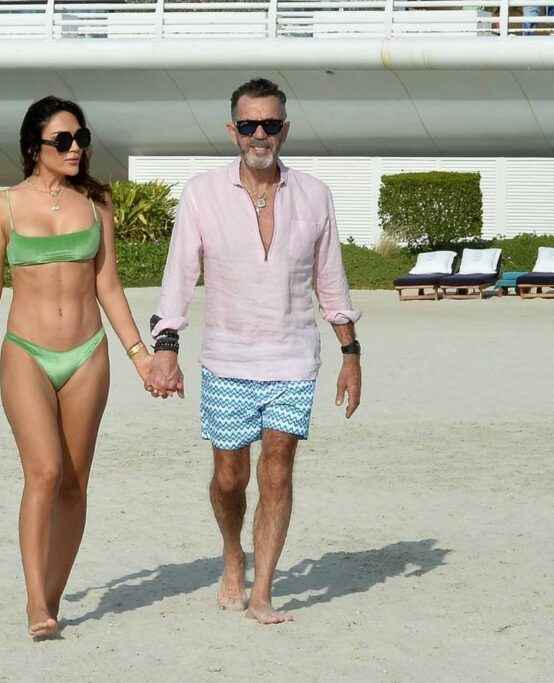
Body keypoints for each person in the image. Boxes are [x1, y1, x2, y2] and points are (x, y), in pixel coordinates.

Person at [146, 78, 363, 625]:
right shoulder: (202, 193)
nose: (259, 134)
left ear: (285, 129)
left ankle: (262, 591)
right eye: (249, 125)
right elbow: (179, 273)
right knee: (229, 478)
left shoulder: (315, 194)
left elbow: (330, 280)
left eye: (269, 124)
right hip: (226, 358)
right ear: (233, 131)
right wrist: (166, 345)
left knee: (278, 471)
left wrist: (351, 353)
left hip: (294, 358)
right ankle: (231, 553)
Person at [0, 96, 154, 639]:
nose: (75, 149)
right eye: (62, 140)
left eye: (81, 138)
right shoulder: (2, 206)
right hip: (26, 351)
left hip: (88, 353)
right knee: (43, 472)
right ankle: (33, 600)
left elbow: (108, 284)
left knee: (74, 483)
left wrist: (140, 356)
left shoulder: (97, 202)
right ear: (33, 146)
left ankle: (53, 595)